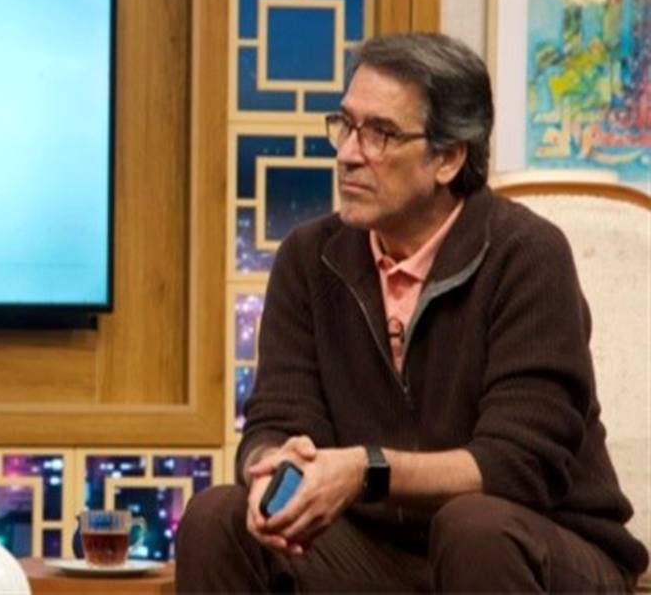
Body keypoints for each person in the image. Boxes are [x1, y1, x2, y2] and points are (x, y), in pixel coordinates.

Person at [176, 33, 648, 592]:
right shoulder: (309, 259)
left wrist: (367, 470)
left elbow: (519, 465)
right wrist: (274, 466)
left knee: (473, 528)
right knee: (219, 518)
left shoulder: (527, 255)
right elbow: (279, 417)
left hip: (536, 545)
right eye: (345, 125)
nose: (348, 153)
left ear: (448, 158)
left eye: (380, 134)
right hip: (378, 555)